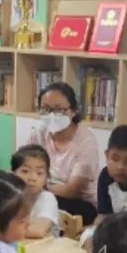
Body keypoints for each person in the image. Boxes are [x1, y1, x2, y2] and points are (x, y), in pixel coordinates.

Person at [25, 82, 99, 224]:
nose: (52, 115)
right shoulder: (39, 133)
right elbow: (21, 168)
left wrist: (37, 187)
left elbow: (72, 191)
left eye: (59, 110)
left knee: (40, 203)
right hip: (42, 191)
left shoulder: (86, 141)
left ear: (73, 111)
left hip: (77, 203)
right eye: (46, 109)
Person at [10, 144, 59, 239]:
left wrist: (3, 230)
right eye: (25, 171)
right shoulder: (12, 195)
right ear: (13, 174)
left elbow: (38, 231)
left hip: (45, 246)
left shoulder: (47, 198)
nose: (32, 178)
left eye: (39, 173)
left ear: (47, 177)